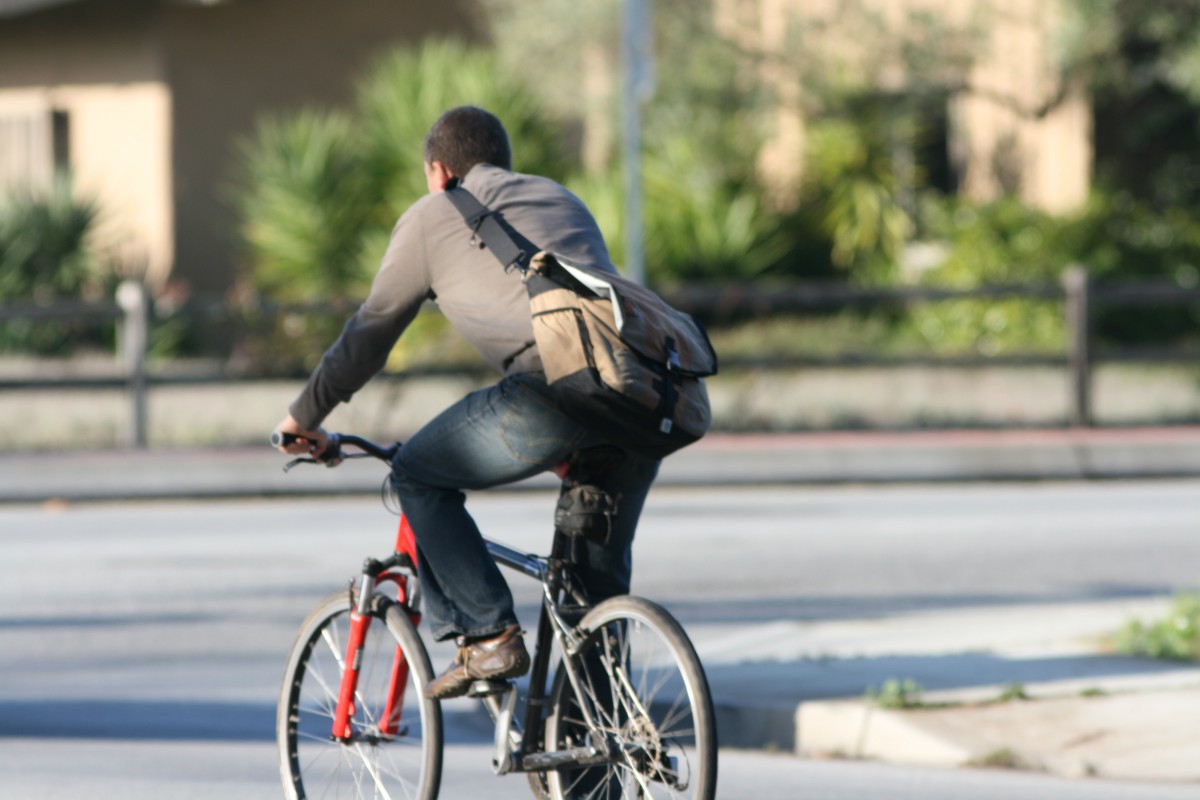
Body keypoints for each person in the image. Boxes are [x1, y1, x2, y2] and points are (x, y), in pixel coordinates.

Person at [274, 105, 659, 700]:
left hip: (549, 396)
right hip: (632, 406)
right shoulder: (560, 198)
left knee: (417, 476)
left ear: (437, 171)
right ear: (503, 163)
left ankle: (487, 633)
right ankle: (601, 761)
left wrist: (304, 417)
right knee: (591, 605)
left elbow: (370, 333)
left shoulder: (433, 215)